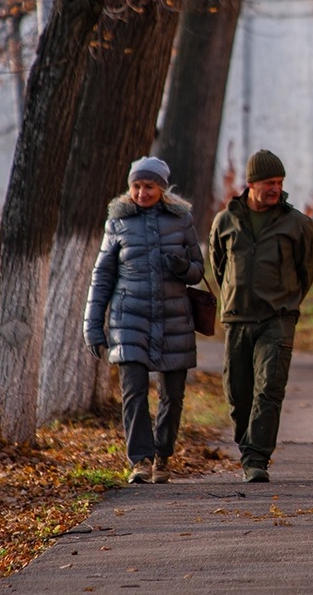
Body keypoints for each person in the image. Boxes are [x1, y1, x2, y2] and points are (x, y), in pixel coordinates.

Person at [84, 156, 205, 484]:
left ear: (162, 188)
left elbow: (198, 269)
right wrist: (93, 325)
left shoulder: (181, 220)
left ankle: (163, 456)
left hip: (174, 319)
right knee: (134, 392)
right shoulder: (118, 222)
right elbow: (102, 276)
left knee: (173, 395)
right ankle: (140, 460)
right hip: (129, 319)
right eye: (136, 186)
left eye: (148, 186)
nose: (141, 193)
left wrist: (183, 267)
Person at [209, 149, 313, 482]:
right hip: (238, 318)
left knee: (269, 387)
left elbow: (307, 270)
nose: (276, 188)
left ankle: (256, 459)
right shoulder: (226, 220)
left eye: (280, 182)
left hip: (278, 318)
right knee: (237, 392)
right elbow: (218, 264)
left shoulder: (297, 223)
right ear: (251, 183)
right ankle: (247, 445)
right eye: (269, 182)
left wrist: (286, 301)